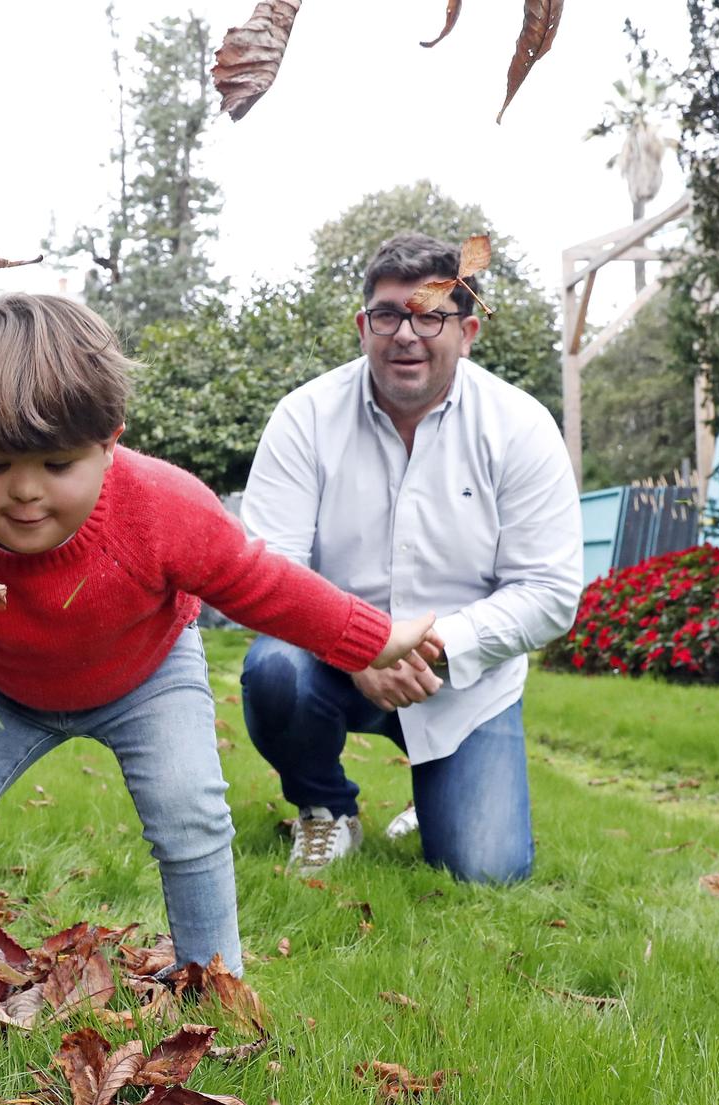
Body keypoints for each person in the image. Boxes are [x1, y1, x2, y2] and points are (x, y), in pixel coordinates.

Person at [0, 293, 441, 973]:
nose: (26, 490)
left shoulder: (164, 507)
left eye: (58, 464)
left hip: (147, 676)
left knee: (189, 814)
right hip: (1, 687)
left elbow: (262, 583)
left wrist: (370, 639)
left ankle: (212, 974)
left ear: (109, 442)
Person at [240, 231, 583, 880]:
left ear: (468, 329)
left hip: (460, 679)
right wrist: (359, 644)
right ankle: (326, 809)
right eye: (389, 314)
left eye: (431, 315)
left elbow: (549, 591)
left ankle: (437, 801)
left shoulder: (521, 427)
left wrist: (424, 645)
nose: (407, 333)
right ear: (362, 324)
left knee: (485, 869)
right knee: (274, 671)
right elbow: (266, 571)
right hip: (329, 663)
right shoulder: (304, 417)